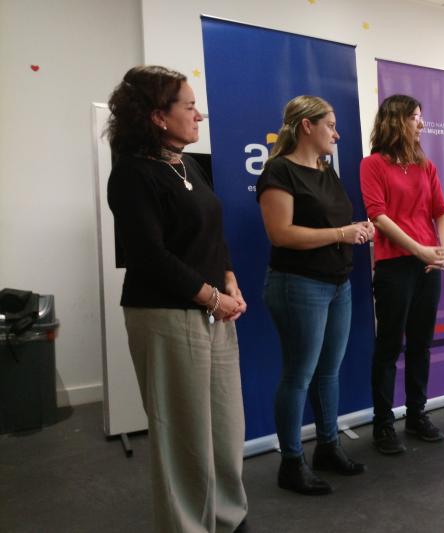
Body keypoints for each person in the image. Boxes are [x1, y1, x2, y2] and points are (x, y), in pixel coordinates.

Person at [106, 65, 248, 532]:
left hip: (214, 312)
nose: (199, 115)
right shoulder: (131, 174)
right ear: (157, 116)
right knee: (183, 437)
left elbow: (212, 233)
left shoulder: (187, 164)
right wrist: (211, 297)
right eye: (188, 106)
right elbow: (148, 256)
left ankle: (228, 518)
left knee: (225, 430)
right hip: (166, 316)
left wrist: (229, 281)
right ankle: (189, 526)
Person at [257, 96, 373, 494]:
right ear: (307, 126)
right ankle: (291, 463)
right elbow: (281, 233)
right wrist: (342, 234)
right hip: (298, 284)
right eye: (330, 125)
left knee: (328, 372)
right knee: (299, 375)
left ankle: (328, 446)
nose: (337, 134)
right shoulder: (278, 171)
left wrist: (357, 228)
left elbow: (331, 223)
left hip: (337, 283)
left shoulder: (325, 171)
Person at [360, 94, 444, 455]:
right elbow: (378, 216)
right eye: (416, 117)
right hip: (395, 264)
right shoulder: (373, 164)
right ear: (397, 120)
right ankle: (383, 424)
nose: (422, 124)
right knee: (389, 346)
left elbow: (441, 211)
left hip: (428, 264)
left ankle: (416, 415)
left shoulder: (425, 166)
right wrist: (419, 249)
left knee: (421, 343)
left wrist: (442, 250)